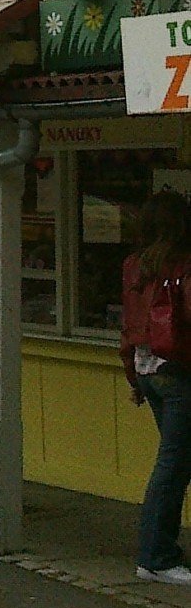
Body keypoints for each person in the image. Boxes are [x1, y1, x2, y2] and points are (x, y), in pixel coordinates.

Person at [121, 189, 191, 585]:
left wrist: (132, 376)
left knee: (176, 463)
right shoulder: (183, 262)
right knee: (173, 466)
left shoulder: (135, 265)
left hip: (149, 370)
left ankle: (158, 550)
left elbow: (130, 328)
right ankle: (156, 555)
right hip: (180, 369)